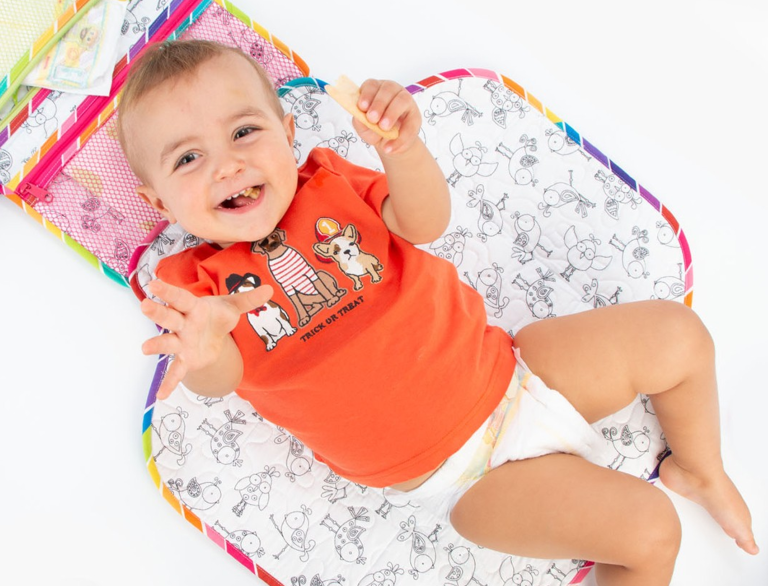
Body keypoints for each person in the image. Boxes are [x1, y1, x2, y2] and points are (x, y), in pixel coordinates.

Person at [117, 39, 757, 585]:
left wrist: (402, 151)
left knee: (678, 335)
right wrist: (204, 348)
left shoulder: (331, 183)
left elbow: (423, 222)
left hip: (516, 370)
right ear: (160, 203)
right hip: (464, 476)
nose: (227, 164)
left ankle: (700, 469)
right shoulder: (194, 288)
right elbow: (220, 378)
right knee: (650, 530)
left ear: (287, 133)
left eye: (243, 132)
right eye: (188, 158)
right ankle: (663, 505)